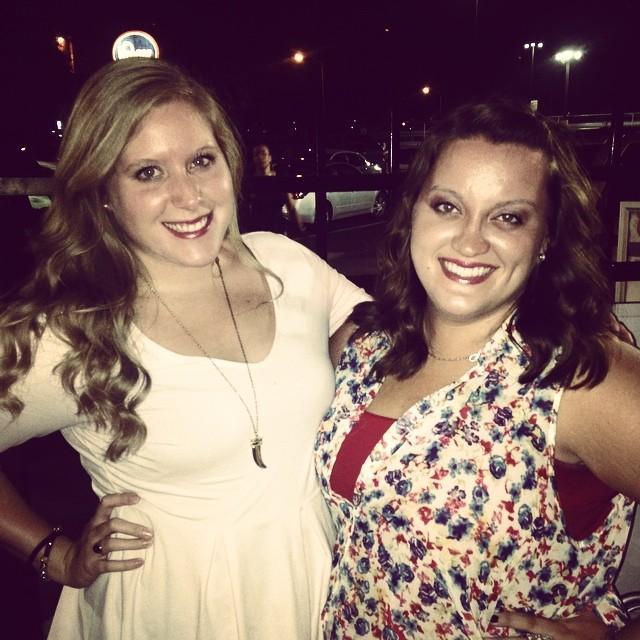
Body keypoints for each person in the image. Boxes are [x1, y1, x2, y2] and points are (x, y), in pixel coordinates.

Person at [0, 58, 367, 639]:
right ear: (103, 192)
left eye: (201, 160)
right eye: (147, 172)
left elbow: (381, 334)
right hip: (170, 607)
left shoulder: (284, 262)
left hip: (312, 581)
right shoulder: (75, 328)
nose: (188, 195)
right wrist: (54, 554)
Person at [314, 99, 640, 639]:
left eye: (508, 217)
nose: (470, 241)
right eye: (447, 206)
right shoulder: (363, 344)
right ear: (412, 213)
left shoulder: (580, 378)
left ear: (546, 238)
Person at [247, 142, 305, 235]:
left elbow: (290, 206)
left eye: (263, 153)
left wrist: (299, 227)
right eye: (257, 154)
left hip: (277, 228)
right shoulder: (249, 181)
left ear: (270, 157)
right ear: (253, 159)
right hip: (256, 230)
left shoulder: (279, 179)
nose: (260, 157)